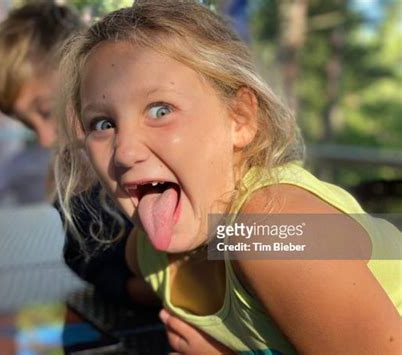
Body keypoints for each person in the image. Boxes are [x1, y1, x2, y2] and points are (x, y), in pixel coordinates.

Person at [54, 1, 401, 354]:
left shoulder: (271, 229)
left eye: (160, 110)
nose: (125, 151)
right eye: (103, 124)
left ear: (239, 119)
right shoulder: (149, 251)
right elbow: (104, 273)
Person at [0, 1, 153, 305]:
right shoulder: (72, 183)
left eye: (46, 111)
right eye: (27, 124)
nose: (46, 139)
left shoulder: (154, 145)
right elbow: (90, 264)